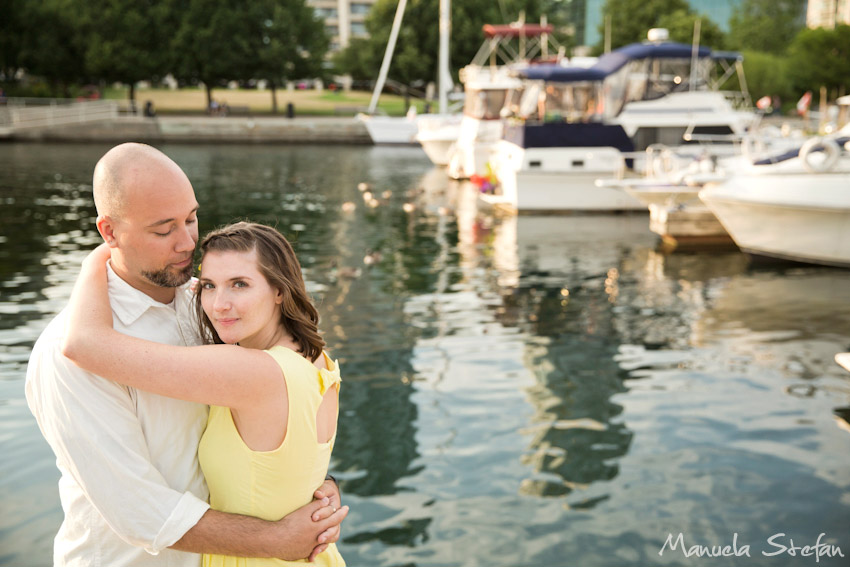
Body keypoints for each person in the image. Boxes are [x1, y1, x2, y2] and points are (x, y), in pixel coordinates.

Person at [25, 143, 347, 567]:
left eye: (191, 218)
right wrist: (274, 539)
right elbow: (137, 509)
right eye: (163, 230)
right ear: (110, 233)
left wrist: (313, 485)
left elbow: (278, 416)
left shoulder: (210, 303)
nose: (187, 243)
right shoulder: (67, 353)